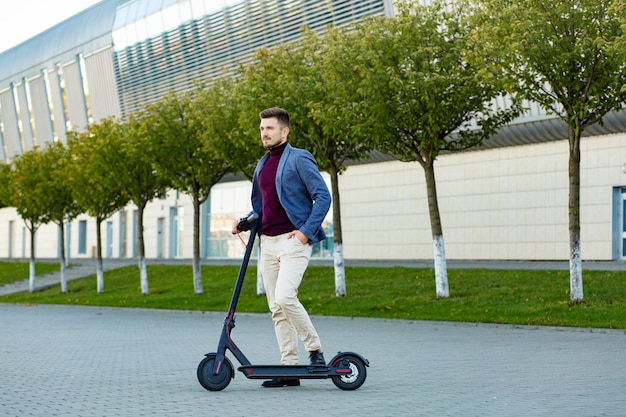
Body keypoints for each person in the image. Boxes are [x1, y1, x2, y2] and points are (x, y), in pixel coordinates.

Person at [233, 107, 331, 388]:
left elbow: (322, 196)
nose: (264, 133)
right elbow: (260, 207)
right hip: (269, 243)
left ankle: (315, 350)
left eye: (270, 129)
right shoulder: (262, 165)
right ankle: (289, 367)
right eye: (262, 129)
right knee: (276, 308)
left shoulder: (299, 158)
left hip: (293, 241)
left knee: (286, 297)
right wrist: (243, 222)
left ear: (284, 131)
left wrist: (305, 233)